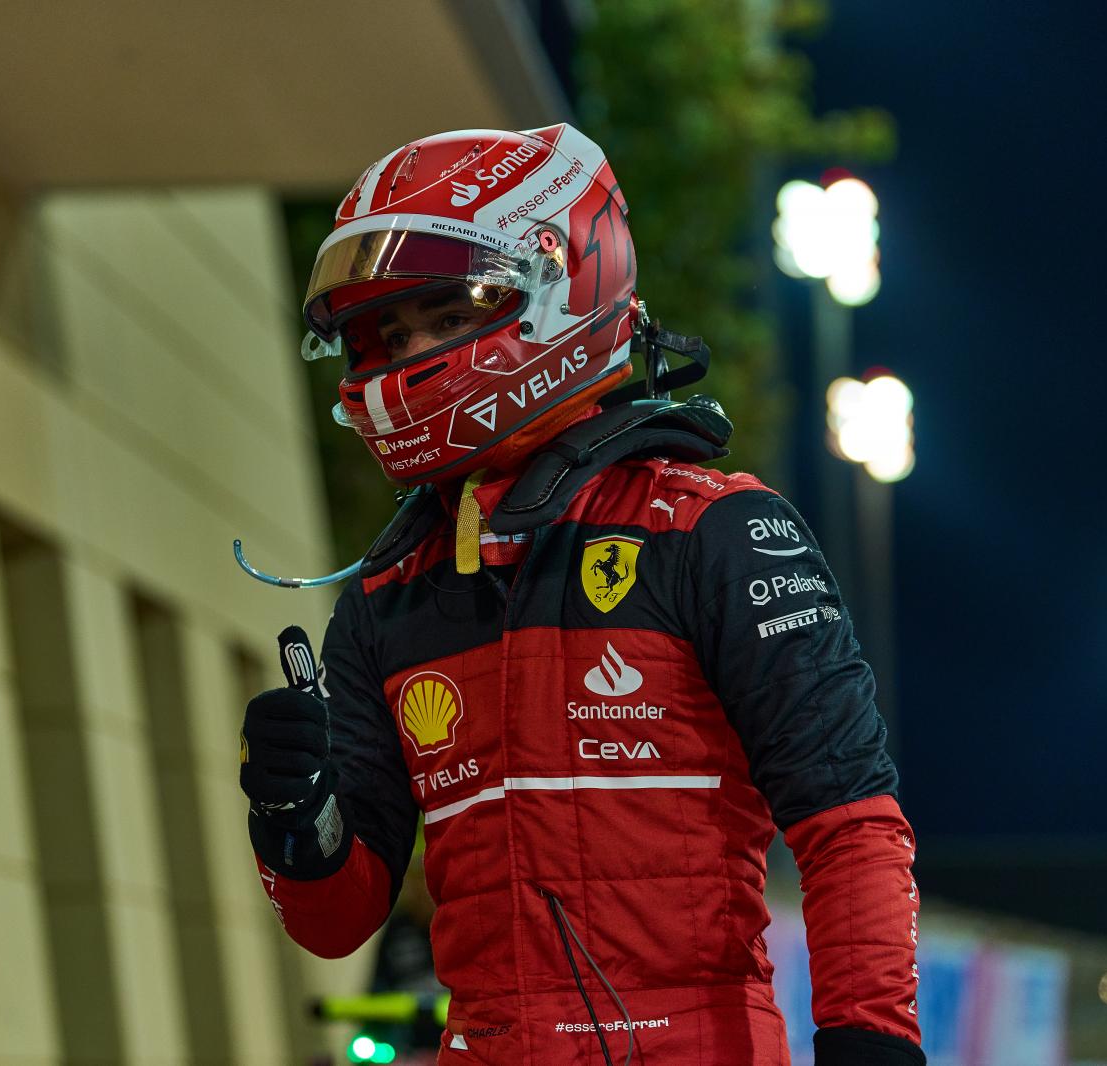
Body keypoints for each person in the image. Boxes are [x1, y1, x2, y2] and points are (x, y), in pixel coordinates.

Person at [238, 124, 925, 1065]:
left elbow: (848, 822)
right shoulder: (387, 596)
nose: (412, 355)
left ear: (562, 281)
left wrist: (870, 1041)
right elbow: (337, 922)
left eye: (449, 314)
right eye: (390, 335)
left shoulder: (714, 532)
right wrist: (296, 815)